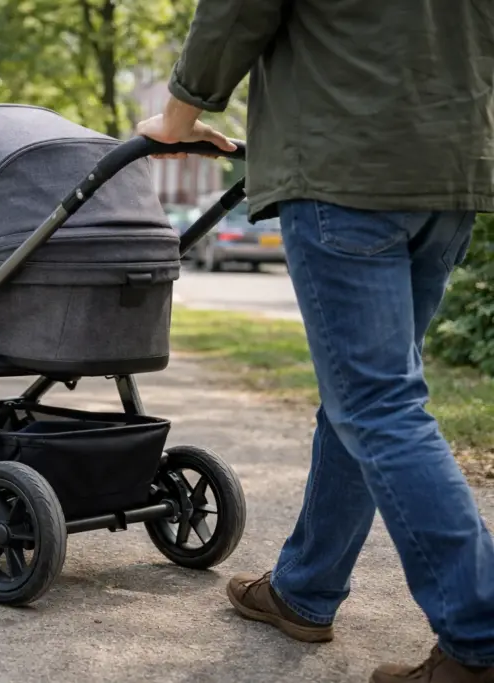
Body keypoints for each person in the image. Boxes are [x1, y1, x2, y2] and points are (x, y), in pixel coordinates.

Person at [136, 2, 494, 681]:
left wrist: (177, 119)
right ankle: (305, 588)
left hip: (345, 165)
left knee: (378, 404)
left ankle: (480, 633)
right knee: (362, 398)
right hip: (450, 171)